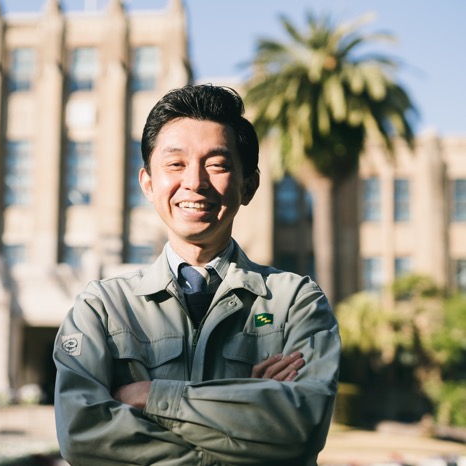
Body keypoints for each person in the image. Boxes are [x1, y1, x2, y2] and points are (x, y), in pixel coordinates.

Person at [52, 84, 341, 465]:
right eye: (175, 164)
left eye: (217, 164)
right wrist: (247, 409)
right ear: (149, 184)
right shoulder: (102, 308)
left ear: (248, 185)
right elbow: (82, 434)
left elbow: (301, 428)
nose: (195, 182)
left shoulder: (294, 302)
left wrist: (148, 395)